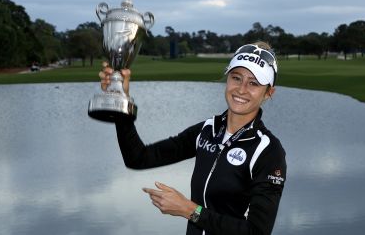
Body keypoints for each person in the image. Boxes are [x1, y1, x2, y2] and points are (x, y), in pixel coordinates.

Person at [99, 41, 287, 235]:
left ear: (269, 92)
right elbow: (138, 158)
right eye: (236, 78)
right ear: (227, 78)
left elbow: (257, 232)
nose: (241, 89)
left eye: (254, 83)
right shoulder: (207, 130)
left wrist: (189, 210)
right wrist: (121, 102)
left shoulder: (268, 151)